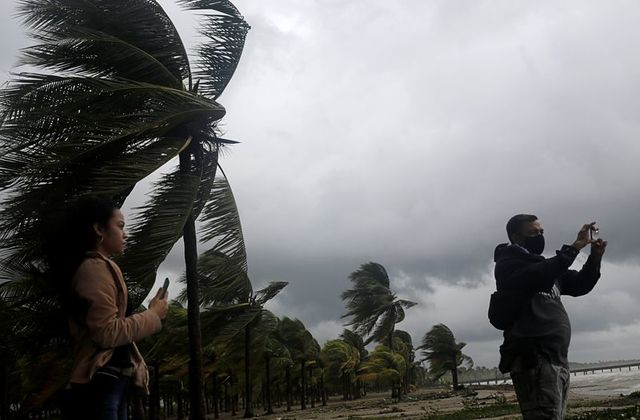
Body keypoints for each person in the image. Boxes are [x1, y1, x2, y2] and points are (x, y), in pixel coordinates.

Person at [47, 196, 169, 420]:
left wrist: (152, 312)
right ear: (99, 229)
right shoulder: (93, 269)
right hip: (101, 383)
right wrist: (153, 315)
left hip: (112, 382)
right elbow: (106, 332)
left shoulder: (100, 267)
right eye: (120, 226)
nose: (125, 234)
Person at [494, 214, 607, 419]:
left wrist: (595, 258)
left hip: (557, 358)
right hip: (534, 358)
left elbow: (580, 284)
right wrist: (574, 247)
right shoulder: (508, 264)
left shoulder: (546, 267)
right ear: (516, 237)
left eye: (542, 232)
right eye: (533, 233)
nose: (540, 236)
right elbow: (540, 273)